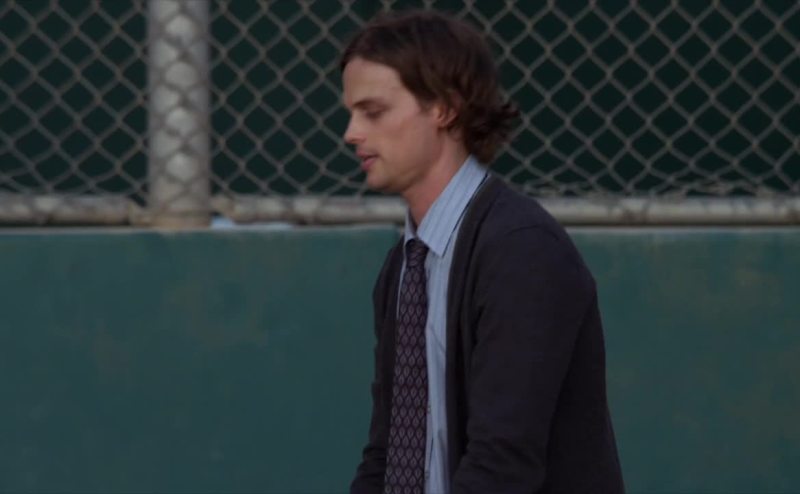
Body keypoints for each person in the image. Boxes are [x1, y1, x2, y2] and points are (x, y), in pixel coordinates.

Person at [341, 10, 624, 494]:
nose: (351, 133)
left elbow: (504, 463)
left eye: (374, 112)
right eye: (351, 113)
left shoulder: (523, 252)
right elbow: (387, 454)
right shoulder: (405, 264)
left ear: (444, 108)